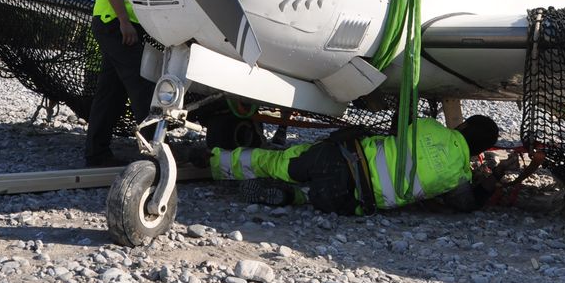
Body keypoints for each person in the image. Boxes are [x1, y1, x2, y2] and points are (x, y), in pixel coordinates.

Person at [205, 115, 499, 214]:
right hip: (352, 199)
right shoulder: (458, 176)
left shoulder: (432, 128)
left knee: (277, 161)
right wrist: (490, 182)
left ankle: (216, 164)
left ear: (462, 124)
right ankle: (293, 196)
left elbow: (400, 125)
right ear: (479, 152)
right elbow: (465, 205)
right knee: (315, 197)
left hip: (341, 157)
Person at [84, 0, 157, 167]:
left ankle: (97, 153)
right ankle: (155, 154)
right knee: (143, 86)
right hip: (117, 24)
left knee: (110, 93)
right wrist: (125, 22)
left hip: (111, 22)